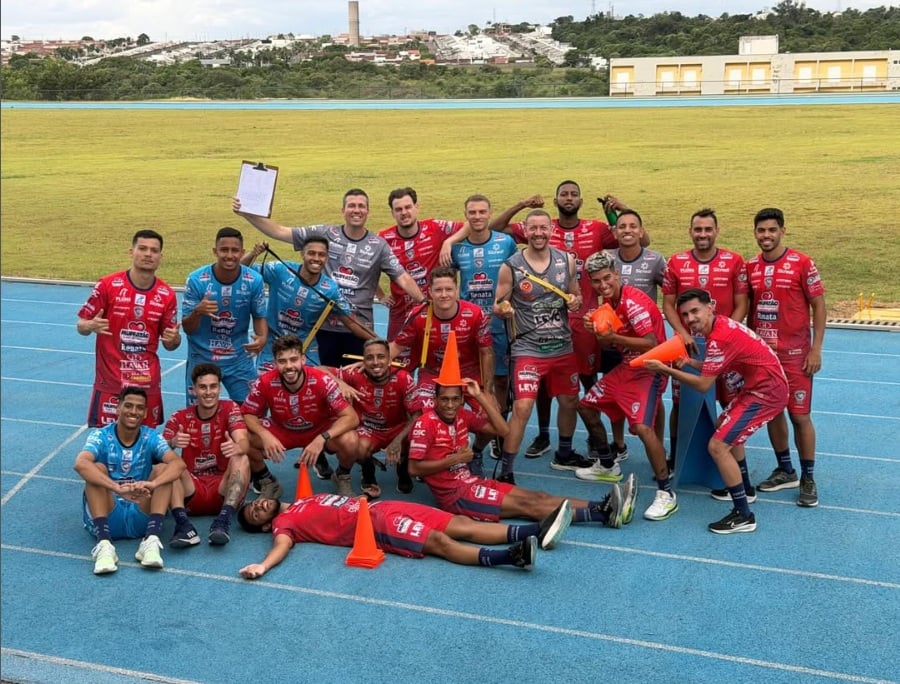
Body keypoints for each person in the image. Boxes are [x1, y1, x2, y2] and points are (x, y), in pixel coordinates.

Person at [484, 182, 639, 461]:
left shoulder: (596, 228)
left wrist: (619, 210)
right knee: (542, 386)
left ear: (580, 200)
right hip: (539, 330)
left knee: (586, 381)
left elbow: (638, 238)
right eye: (564, 195)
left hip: (584, 322)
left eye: (573, 194)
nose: (569, 198)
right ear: (555, 201)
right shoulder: (540, 227)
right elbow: (494, 229)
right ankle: (543, 435)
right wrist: (522, 204)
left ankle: (593, 436)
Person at [409, 378, 638, 533]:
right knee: (527, 506)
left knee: (538, 495)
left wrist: (479, 397)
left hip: (473, 483)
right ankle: (603, 515)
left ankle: (604, 504)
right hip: (456, 495)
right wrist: (456, 460)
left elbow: (503, 430)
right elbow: (414, 469)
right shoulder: (425, 424)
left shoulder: (462, 415)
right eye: (444, 399)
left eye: (455, 399)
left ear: (461, 399)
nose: (450, 405)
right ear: (435, 400)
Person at [645, 289, 789, 534]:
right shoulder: (720, 327)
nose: (690, 319)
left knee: (718, 446)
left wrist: (665, 369)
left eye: (695, 311)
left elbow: (704, 384)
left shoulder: (720, 337)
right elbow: (715, 366)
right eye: (685, 315)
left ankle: (744, 515)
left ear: (710, 307)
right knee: (724, 426)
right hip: (758, 386)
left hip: (767, 392)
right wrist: (689, 362)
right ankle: (745, 488)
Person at [232, 189, 425, 367]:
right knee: (323, 385)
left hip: (359, 330)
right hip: (321, 329)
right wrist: (247, 213)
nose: (356, 210)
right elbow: (279, 231)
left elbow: (403, 277)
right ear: (343, 210)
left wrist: (424, 302)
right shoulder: (325, 234)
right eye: (351, 205)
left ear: (368, 211)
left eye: (361, 206)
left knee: (355, 385)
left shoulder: (379, 245)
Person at [574, 252, 675, 521]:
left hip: (650, 367)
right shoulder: (609, 302)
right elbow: (607, 343)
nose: (603, 285)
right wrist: (597, 331)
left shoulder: (632, 302)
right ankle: (608, 464)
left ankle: (666, 493)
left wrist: (612, 336)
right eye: (596, 281)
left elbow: (652, 343)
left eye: (607, 278)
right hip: (628, 367)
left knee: (642, 428)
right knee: (585, 406)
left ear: (617, 275)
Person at [492, 209, 591, 481]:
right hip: (527, 349)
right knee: (523, 408)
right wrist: (504, 309)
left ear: (551, 230)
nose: (538, 233)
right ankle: (507, 471)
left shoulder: (566, 261)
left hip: (562, 347)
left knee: (569, 401)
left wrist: (575, 301)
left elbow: (576, 295)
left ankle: (565, 453)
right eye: (533, 228)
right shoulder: (511, 266)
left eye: (543, 228)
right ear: (525, 230)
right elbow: (497, 304)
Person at [237, 493, 558, 576]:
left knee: (460, 523)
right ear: (265, 525)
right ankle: (510, 557)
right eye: (255, 513)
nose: (259, 505)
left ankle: (535, 530)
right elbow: (282, 545)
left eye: (255, 503)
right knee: (439, 542)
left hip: (384, 506)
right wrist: (262, 566)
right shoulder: (284, 524)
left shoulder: (301, 500)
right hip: (377, 526)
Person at [745, 207, 826, 507]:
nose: (766, 235)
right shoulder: (750, 266)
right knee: (773, 412)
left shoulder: (802, 263)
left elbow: (819, 305)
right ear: (755, 233)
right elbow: (747, 308)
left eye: (771, 230)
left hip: (796, 356)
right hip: (764, 357)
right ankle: (785, 469)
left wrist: (816, 349)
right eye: (761, 230)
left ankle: (808, 477)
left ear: (782, 231)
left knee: (799, 415)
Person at [661, 208, 749, 471]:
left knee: (729, 402)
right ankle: (676, 456)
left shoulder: (734, 261)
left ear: (717, 231)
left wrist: (725, 337)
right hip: (688, 346)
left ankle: (734, 462)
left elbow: (742, 304)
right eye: (698, 229)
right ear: (690, 232)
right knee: (680, 403)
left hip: (725, 347)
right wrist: (683, 333)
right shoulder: (676, 262)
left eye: (708, 229)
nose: (703, 234)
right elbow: (667, 304)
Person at [390, 266, 495, 476]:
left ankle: (475, 453)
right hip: (433, 374)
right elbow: (397, 347)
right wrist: (369, 361)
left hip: (468, 375)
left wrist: (488, 391)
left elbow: (487, 353)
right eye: (438, 290)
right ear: (429, 292)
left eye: (449, 289)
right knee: (422, 419)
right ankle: (431, 458)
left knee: (493, 420)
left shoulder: (475, 313)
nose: (444, 294)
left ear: (457, 290)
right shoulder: (418, 314)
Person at [74, 387, 186, 574]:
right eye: (128, 406)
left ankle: (151, 540)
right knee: (96, 468)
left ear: (145, 413)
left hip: (140, 509)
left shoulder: (151, 436)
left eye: (139, 408)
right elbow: (80, 463)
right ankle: (104, 544)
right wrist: (116, 488)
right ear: (118, 408)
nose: (133, 411)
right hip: (109, 512)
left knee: (164, 469)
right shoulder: (101, 435)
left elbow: (178, 464)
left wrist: (152, 484)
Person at [77, 229, 181, 427]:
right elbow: (81, 325)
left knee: (145, 442)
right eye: (142, 248)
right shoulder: (107, 285)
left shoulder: (167, 294)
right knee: (105, 441)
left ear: (160, 256)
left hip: (146, 384)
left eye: (154, 250)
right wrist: (90, 325)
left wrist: (174, 339)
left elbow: (171, 344)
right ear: (131, 252)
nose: (148, 254)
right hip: (111, 384)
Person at [242, 334, 360, 498]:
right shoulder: (265, 381)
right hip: (282, 430)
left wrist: (322, 438)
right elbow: (248, 414)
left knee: (351, 439)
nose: (289, 366)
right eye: (282, 361)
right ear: (275, 363)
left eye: (293, 360)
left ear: (303, 360)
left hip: (319, 428)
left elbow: (351, 417)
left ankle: (342, 476)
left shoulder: (321, 380)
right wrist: (264, 434)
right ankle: (267, 481)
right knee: (242, 438)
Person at [449, 194, 519, 460]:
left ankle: (497, 434)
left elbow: (517, 276)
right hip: (467, 326)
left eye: (482, 212)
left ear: (490, 213)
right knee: (461, 382)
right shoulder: (456, 248)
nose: (477, 216)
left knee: (500, 380)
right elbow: (447, 282)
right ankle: (457, 437)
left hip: (498, 325)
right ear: (466, 216)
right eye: (472, 212)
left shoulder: (506, 243)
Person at [241, 238, 374, 371]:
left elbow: (352, 322)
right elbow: (240, 270)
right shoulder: (280, 270)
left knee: (316, 381)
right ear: (302, 255)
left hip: (305, 347)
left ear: (327, 258)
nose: (316, 258)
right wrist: (253, 254)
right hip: (272, 345)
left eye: (321, 255)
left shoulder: (330, 289)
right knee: (267, 383)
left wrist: (380, 342)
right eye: (311, 253)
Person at [162, 363, 251, 548]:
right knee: (167, 464)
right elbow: (157, 451)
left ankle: (223, 522)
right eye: (203, 387)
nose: (209, 392)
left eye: (213, 386)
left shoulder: (230, 408)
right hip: (191, 491)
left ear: (219, 388)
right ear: (194, 389)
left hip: (223, 491)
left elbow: (243, 441)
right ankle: (183, 525)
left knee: (241, 457)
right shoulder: (180, 417)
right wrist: (172, 443)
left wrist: (237, 447)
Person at [605, 209, 668, 462]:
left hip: (645, 342)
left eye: (633, 226)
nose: (627, 230)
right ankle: (619, 445)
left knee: (655, 398)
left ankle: (659, 447)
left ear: (642, 232)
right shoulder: (607, 258)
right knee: (616, 393)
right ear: (614, 232)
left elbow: (670, 294)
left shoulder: (655, 260)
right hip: (615, 340)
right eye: (622, 226)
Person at [325, 338, 423, 498]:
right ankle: (368, 470)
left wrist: (397, 440)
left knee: (419, 434)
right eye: (370, 358)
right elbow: (319, 369)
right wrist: (340, 383)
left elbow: (417, 414)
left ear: (389, 359)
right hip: (369, 429)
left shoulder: (403, 378)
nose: (376, 362)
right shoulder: (355, 374)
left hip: (397, 428)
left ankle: (403, 467)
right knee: (358, 447)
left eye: (381, 357)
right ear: (363, 360)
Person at [182, 227, 267, 404]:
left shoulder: (254, 280)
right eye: (224, 250)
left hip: (238, 358)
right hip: (202, 359)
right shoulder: (196, 280)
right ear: (215, 251)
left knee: (253, 408)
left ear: (242, 252)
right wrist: (198, 311)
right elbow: (188, 328)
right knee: (198, 413)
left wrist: (262, 338)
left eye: (234, 250)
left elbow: (259, 315)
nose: (229, 255)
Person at [378, 187, 464, 340]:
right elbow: (365, 267)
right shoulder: (384, 238)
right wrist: (380, 295)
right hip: (401, 312)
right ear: (392, 213)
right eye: (398, 209)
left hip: (435, 309)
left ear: (417, 207)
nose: (404, 212)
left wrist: (448, 242)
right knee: (395, 353)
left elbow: (469, 226)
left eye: (408, 207)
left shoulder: (434, 227)